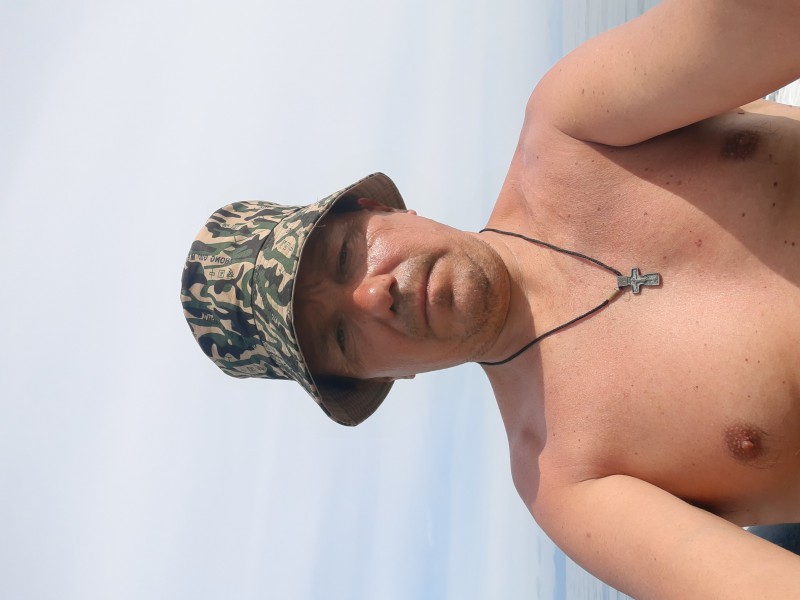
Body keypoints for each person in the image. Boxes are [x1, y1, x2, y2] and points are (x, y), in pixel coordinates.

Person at [181, 1, 800, 597]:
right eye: (341, 337)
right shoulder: (563, 476)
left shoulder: (571, 128)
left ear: (377, 209)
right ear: (377, 377)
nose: (372, 296)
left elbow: (763, 18)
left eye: (345, 257)